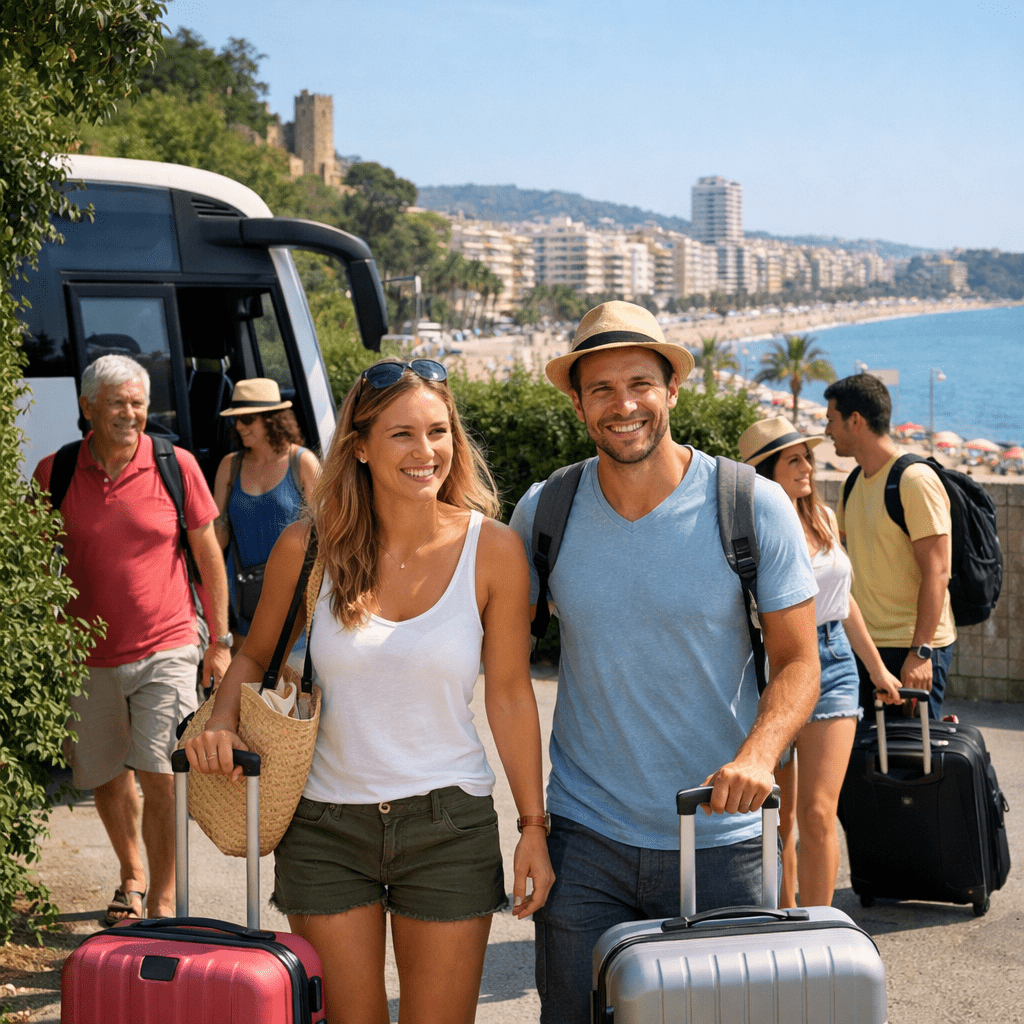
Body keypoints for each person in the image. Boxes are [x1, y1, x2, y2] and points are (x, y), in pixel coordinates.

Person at [184, 358, 554, 1024]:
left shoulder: (492, 550)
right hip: (325, 828)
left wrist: (533, 826)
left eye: (439, 432)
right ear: (359, 445)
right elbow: (256, 657)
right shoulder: (308, 546)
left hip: (448, 824)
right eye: (403, 434)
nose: (427, 452)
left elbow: (509, 695)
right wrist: (224, 722)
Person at [508, 301, 821, 1024]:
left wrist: (760, 754)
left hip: (722, 835)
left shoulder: (750, 505)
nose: (623, 406)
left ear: (672, 389)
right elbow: (496, 665)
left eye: (640, 384)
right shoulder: (544, 512)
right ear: (579, 402)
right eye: (601, 389)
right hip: (585, 841)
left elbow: (800, 661)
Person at [33, 355, 232, 924]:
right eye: (118, 402)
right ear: (87, 407)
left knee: (161, 771)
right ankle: (132, 876)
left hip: (166, 646)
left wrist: (218, 639)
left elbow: (207, 556)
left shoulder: (176, 465)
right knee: (104, 775)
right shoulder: (57, 471)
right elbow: (33, 558)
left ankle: (164, 897)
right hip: (86, 655)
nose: (130, 413)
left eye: (138, 403)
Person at [739, 417, 903, 908]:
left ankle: (819, 931)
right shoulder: (748, 531)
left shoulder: (823, 518)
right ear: (768, 471)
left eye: (808, 456)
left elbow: (844, 600)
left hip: (832, 663)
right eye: (795, 459)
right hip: (771, 669)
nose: (809, 466)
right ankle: (784, 920)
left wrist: (877, 669)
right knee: (779, 818)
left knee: (816, 813)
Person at [823, 374, 956, 721]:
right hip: (867, 648)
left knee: (911, 767)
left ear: (856, 420)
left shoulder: (913, 480)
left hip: (912, 648)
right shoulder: (852, 484)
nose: (827, 431)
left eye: (831, 420)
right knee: (868, 766)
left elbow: (938, 571)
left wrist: (922, 652)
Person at [212, 379, 319, 658]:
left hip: (295, 601)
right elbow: (216, 541)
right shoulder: (230, 466)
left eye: (247, 419)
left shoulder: (302, 462)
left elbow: (329, 533)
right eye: (235, 420)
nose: (239, 427)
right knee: (250, 694)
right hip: (245, 601)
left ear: (273, 420)